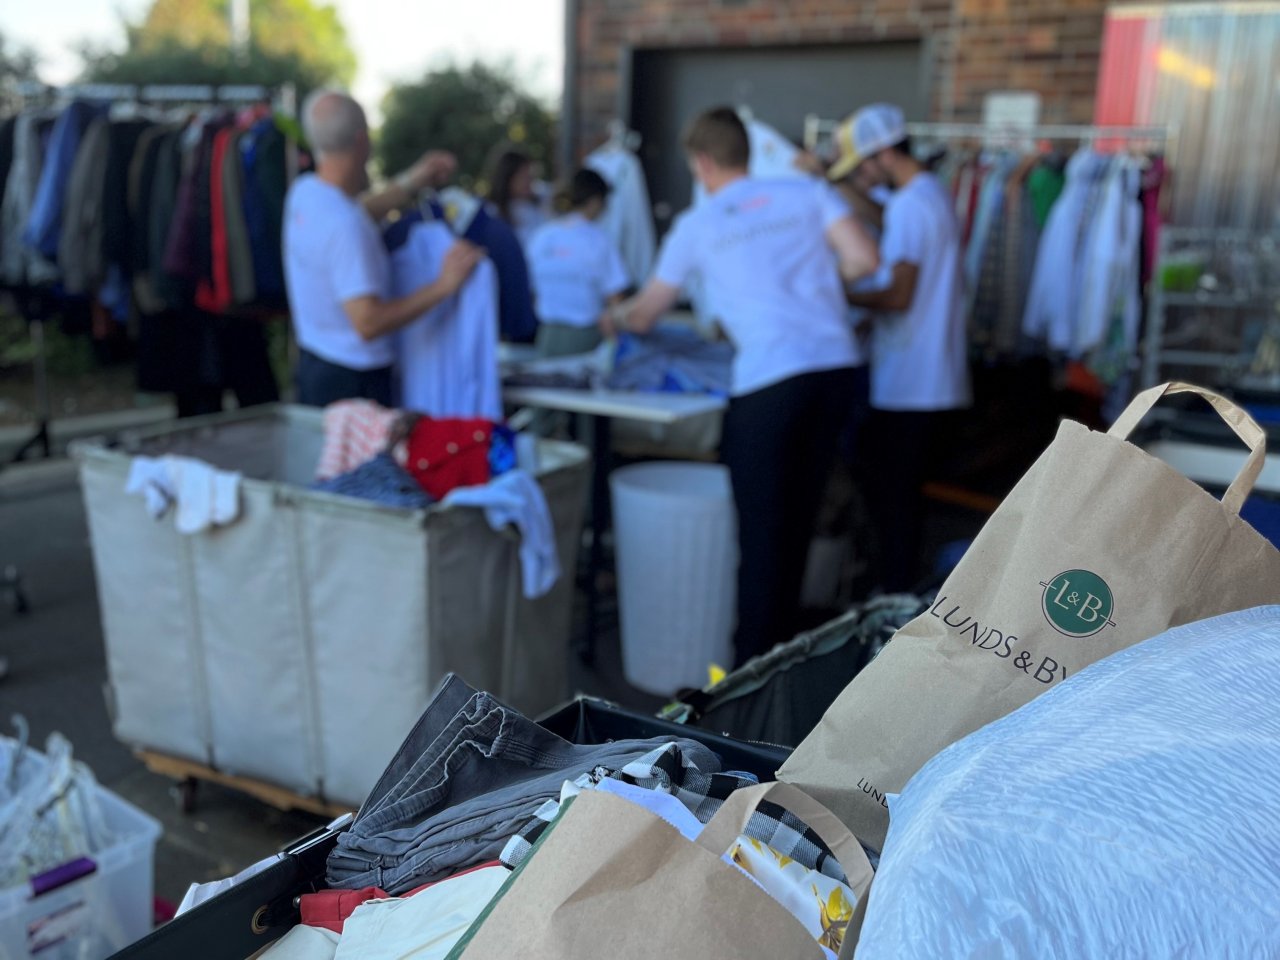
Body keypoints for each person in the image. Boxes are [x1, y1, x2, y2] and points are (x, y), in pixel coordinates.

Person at [605, 107, 879, 667]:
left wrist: (616, 315)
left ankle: (748, 675)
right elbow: (865, 259)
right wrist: (816, 291)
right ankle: (787, 661)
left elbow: (646, 315)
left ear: (702, 162)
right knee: (799, 522)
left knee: (759, 535)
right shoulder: (803, 193)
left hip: (769, 378)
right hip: (834, 367)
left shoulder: (699, 223)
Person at [832, 103, 971, 593]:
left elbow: (899, 293)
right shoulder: (927, 194)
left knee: (891, 496)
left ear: (884, 154)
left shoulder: (912, 206)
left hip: (910, 380)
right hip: (927, 374)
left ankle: (892, 595)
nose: (864, 177)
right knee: (901, 494)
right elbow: (889, 224)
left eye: (863, 166)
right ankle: (898, 587)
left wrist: (840, 295)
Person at [284, 90, 482, 408]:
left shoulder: (305, 193)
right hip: (354, 385)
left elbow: (357, 212)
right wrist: (444, 286)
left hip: (315, 368)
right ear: (363, 141)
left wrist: (411, 182)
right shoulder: (345, 227)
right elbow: (368, 322)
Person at [527, 168, 629, 358]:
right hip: (586, 336)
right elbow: (616, 299)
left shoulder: (543, 236)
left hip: (547, 334)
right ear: (596, 201)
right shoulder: (599, 240)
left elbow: (531, 288)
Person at [483, 147, 548, 251]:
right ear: (507, 177)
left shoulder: (539, 203)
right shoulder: (491, 212)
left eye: (530, 175)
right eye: (522, 176)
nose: (529, 181)